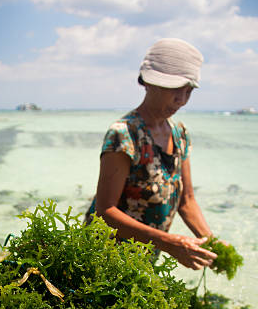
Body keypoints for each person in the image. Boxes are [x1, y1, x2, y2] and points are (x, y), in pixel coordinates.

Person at [85, 38, 217, 270]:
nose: (182, 100)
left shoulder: (179, 134)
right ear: (148, 83)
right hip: (103, 260)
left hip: (143, 260)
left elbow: (186, 201)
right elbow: (105, 211)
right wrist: (168, 242)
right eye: (175, 89)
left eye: (188, 91)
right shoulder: (124, 134)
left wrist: (212, 245)